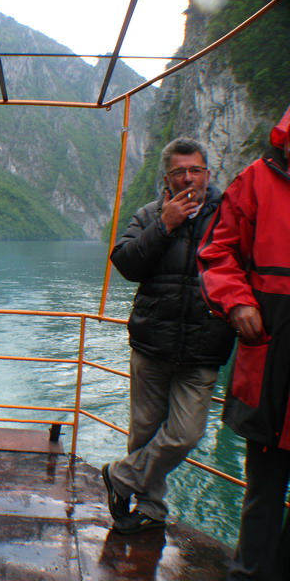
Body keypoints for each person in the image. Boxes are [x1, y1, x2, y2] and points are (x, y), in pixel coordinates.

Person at [102, 137, 236, 534]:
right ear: (167, 178)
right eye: (179, 172)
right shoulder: (149, 214)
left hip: (204, 346)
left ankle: (120, 477)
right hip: (152, 344)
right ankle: (151, 509)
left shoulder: (231, 215)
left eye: (195, 170)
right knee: (144, 433)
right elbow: (126, 264)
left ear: (208, 173)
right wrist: (165, 225)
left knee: (185, 434)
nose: (188, 178)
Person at [197, 106, 290, 581]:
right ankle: (249, 575)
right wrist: (237, 301)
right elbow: (217, 252)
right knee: (264, 487)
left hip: (269, 353)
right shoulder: (256, 180)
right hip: (272, 359)